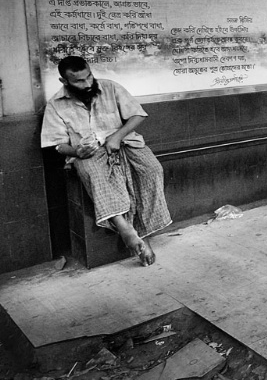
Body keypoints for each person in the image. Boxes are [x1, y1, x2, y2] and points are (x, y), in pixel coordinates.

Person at [40, 56, 171, 266]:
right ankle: (125, 229)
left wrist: (117, 137)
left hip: (124, 142)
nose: (87, 84)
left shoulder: (110, 87)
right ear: (64, 81)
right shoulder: (55, 105)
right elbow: (56, 144)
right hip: (88, 154)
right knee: (97, 177)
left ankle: (141, 233)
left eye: (89, 76)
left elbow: (138, 115)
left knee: (151, 170)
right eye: (79, 81)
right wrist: (76, 151)